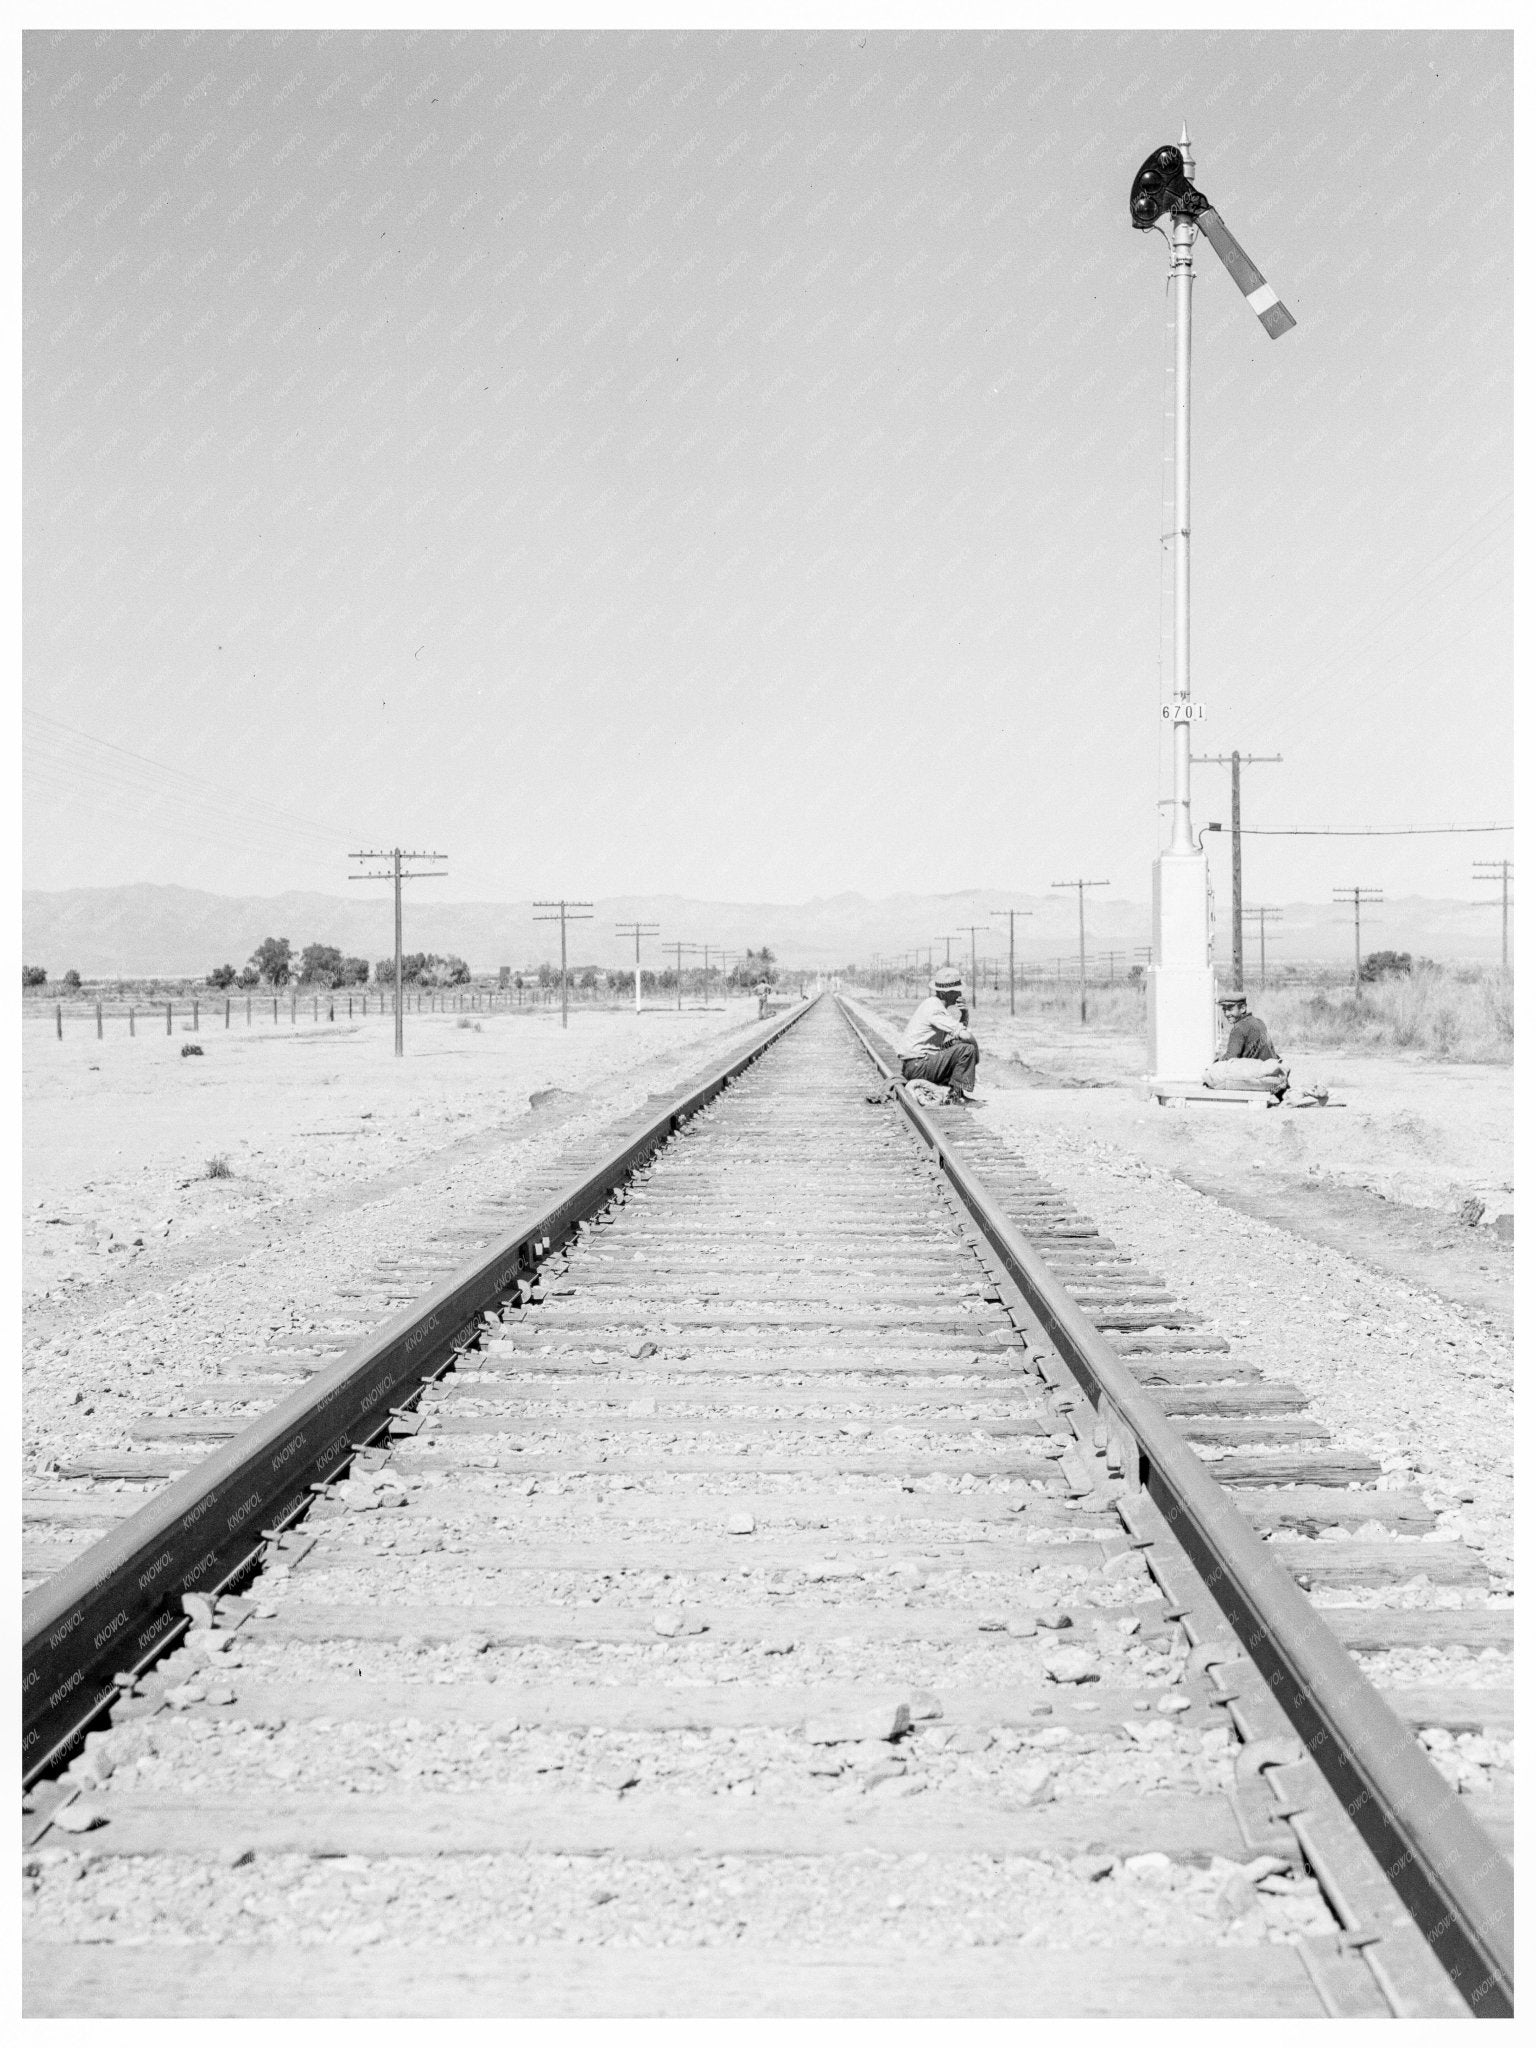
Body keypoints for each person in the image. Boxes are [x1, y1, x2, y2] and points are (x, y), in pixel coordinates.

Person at [898, 966, 981, 1104]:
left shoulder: (933, 1005)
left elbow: (956, 1037)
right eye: (955, 991)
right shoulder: (934, 1008)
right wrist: (976, 1054)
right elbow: (966, 1036)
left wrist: (964, 1014)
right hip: (919, 1066)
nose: (959, 994)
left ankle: (956, 1093)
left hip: (916, 1065)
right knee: (967, 1049)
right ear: (943, 994)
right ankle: (956, 1097)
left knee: (958, 1045)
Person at [1215, 990, 1280, 1063]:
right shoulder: (1259, 1022)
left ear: (1243, 1008)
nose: (1226, 1014)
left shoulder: (1238, 1029)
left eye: (1230, 1009)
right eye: (1224, 1010)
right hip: (1270, 1067)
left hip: (1254, 1071)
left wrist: (1217, 1061)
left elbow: (1230, 1058)